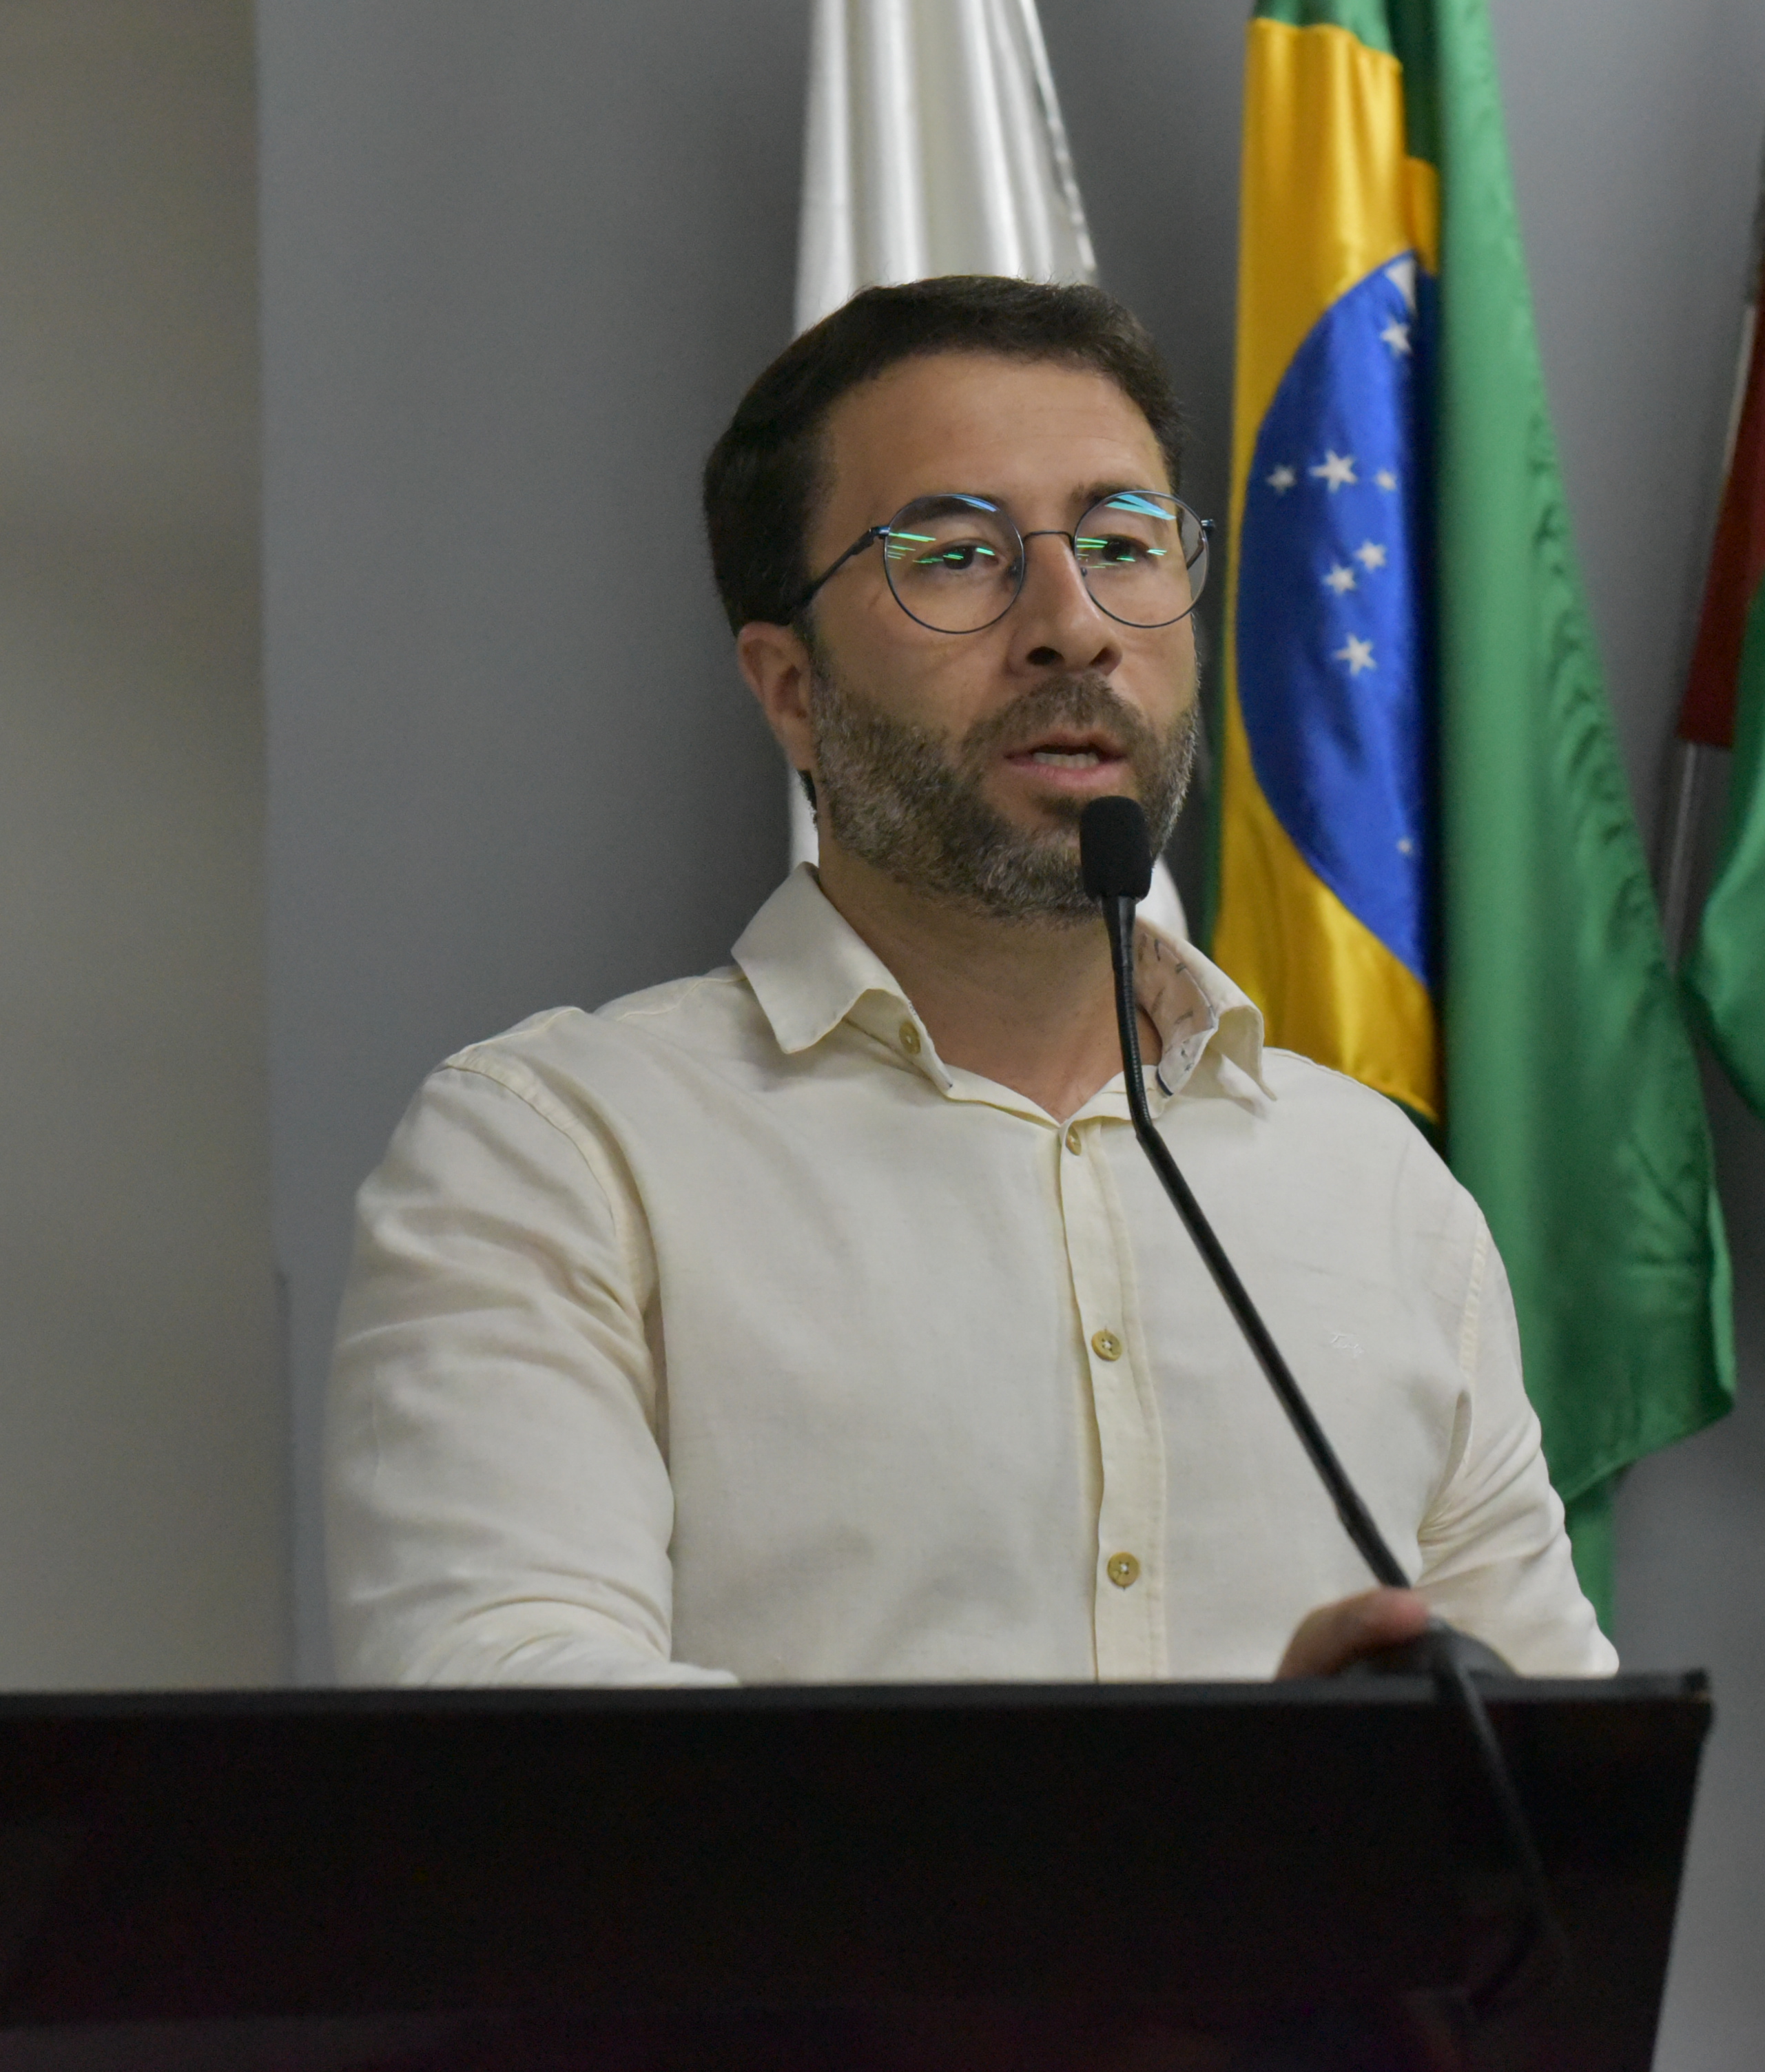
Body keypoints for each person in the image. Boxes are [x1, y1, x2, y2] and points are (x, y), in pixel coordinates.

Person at [325, 276, 1613, 1689]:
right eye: (954, 556)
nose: (1073, 624)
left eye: (1123, 543)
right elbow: (515, 1721)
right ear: (792, 690)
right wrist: (1239, 1800)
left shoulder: (1376, 1186)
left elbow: (1550, 1765)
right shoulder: (560, 1155)